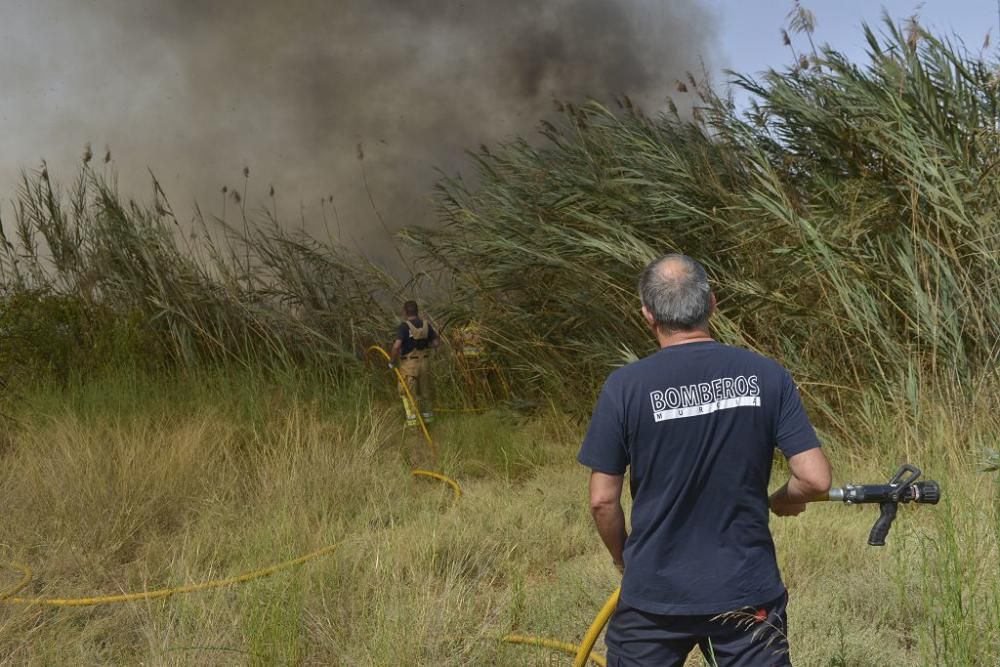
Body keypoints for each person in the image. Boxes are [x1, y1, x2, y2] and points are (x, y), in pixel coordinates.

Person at [578, 254, 831, 666]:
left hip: (654, 597)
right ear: (712, 303)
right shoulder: (767, 374)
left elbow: (602, 501)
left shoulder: (624, 387)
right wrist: (785, 499)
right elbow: (815, 479)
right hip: (747, 592)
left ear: (647, 315)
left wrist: (625, 560)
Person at [389, 300, 440, 427]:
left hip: (409, 366)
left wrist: (392, 361)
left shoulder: (404, 327)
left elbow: (396, 346)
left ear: (405, 312)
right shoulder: (426, 325)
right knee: (425, 393)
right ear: (417, 311)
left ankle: (413, 424)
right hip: (425, 364)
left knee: (407, 393)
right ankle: (429, 423)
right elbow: (436, 343)